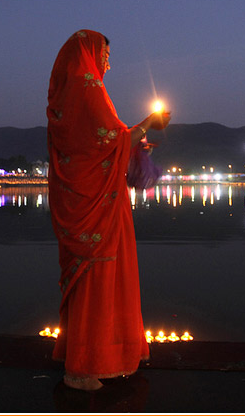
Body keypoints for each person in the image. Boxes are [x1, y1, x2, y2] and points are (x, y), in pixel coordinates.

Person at [46, 29, 170, 391]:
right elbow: (111, 140)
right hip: (98, 204)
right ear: (89, 54)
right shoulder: (89, 90)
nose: (109, 63)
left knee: (95, 278)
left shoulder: (65, 95)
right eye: (106, 54)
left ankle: (99, 356)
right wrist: (149, 122)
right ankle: (83, 368)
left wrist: (132, 138)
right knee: (100, 277)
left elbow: (96, 145)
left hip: (88, 198)